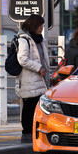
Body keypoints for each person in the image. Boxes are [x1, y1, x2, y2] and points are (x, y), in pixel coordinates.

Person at [16, 14, 50, 143]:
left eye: (43, 25)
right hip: (29, 79)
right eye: (40, 25)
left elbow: (44, 59)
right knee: (29, 106)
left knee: (37, 106)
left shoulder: (40, 40)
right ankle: (26, 134)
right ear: (33, 25)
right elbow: (22, 59)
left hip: (40, 79)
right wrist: (38, 67)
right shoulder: (25, 40)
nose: (42, 28)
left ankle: (34, 133)